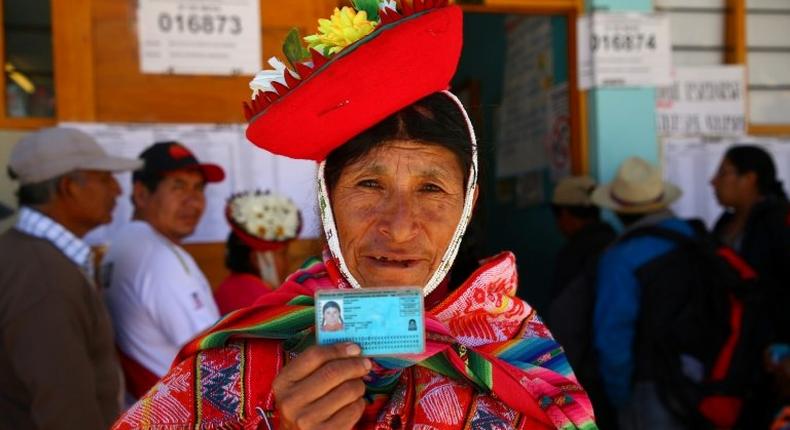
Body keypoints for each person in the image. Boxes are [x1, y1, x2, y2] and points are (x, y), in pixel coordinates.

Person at [113, 3, 596, 429]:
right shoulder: (243, 355)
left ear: (467, 204)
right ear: (327, 201)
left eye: (431, 189)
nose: (400, 226)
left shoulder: (515, 348)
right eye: (369, 185)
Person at [0, 127, 141, 429]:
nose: (117, 190)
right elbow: (64, 408)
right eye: (104, 179)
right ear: (68, 187)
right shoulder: (43, 278)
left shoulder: (27, 254)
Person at [101, 141, 225, 400]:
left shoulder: (122, 242)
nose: (193, 201)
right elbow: (214, 354)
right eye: (178, 186)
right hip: (179, 411)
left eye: (198, 187)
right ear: (141, 194)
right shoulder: (161, 257)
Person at [589, 157, 695, 429]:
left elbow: (613, 337)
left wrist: (619, 396)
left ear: (618, 211)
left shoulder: (621, 258)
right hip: (704, 378)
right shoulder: (695, 239)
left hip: (650, 386)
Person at [710, 145, 790, 426]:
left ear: (750, 178)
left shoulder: (779, 220)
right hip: (733, 349)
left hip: (770, 354)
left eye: (723, 172)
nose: (713, 181)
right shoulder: (725, 222)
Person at [546, 176, 617, 429]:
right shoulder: (616, 243)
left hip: (587, 375)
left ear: (564, 214)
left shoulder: (574, 254)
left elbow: (565, 321)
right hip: (619, 373)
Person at [214, 190, 301, 315]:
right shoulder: (262, 298)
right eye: (282, 254)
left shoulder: (226, 287)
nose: (288, 261)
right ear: (256, 258)